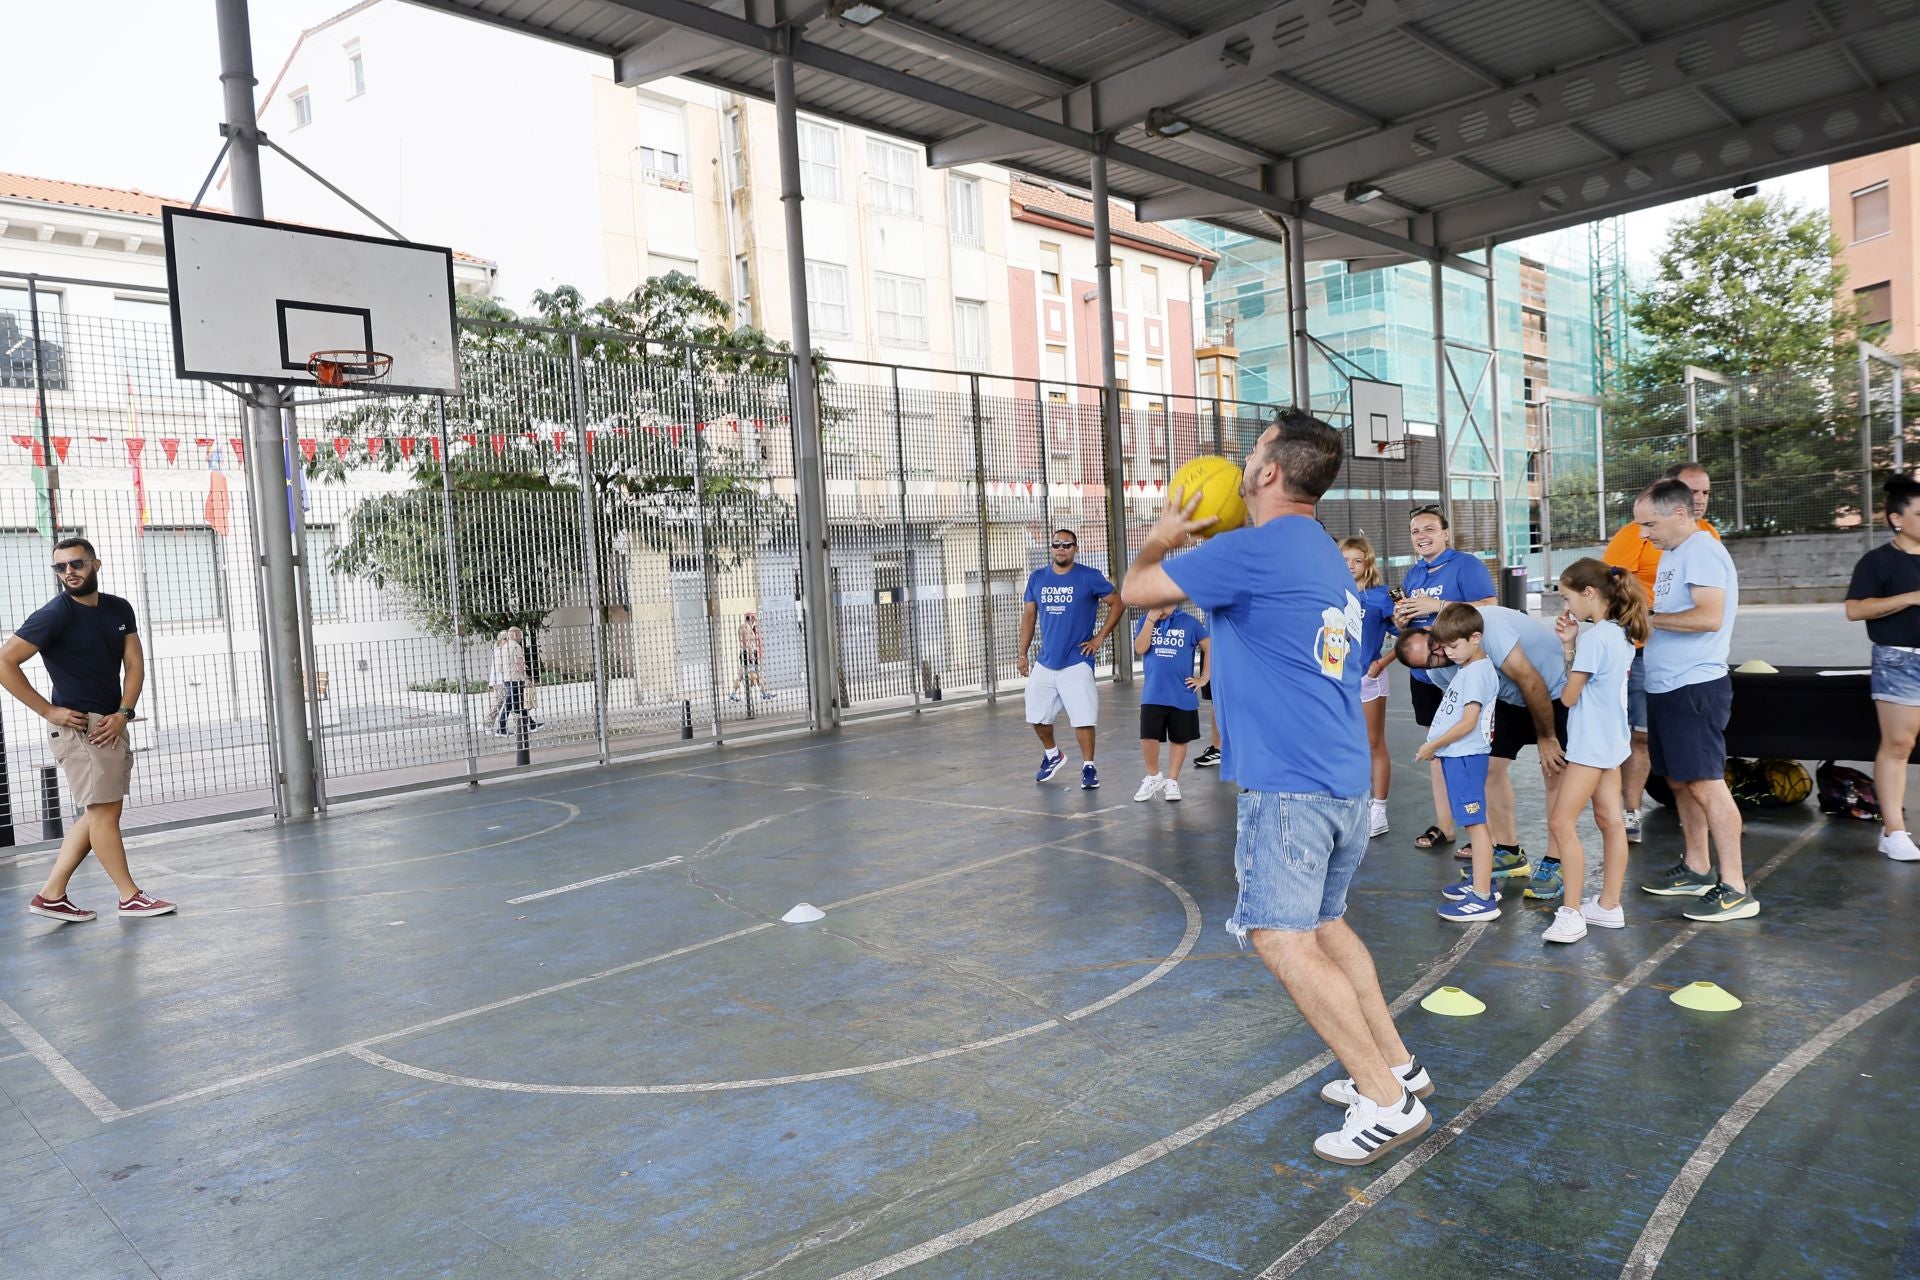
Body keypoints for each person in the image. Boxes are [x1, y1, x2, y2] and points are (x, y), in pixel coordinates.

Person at [1123, 409, 1433, 1168]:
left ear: (1267, 473)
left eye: (1252, 451)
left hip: (1290, 783)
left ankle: (1386, 1101)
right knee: (1326, 923)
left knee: (1277, 935)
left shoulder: (1255, 553)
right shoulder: (1316, 550)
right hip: (1339, 777)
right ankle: (1395, 1062)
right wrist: (1206, 548)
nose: (1240, 461)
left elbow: (1135, 589)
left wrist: (1163, 531)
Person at [0, 537, 174, 921]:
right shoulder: (54, 614)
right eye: (60, 567)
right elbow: (5, 663)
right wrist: (49, 711)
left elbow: (135, 664)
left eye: (76, 564)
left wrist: (124, 713)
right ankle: (129, 896)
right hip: (82, 729)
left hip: (110, 723)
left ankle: (51, 894)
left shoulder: (117, 608)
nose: (68, 573)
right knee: (104, 813)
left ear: (96, 564)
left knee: (98, 813)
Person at [1634, 478, 1754, 921]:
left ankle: (1736, 887)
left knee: (1704, 781)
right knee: (1681, 781)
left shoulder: (1702, 550)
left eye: (1650, 523)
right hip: (1667, 684)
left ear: (1681, 514)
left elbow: (1708, 616)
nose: (1645, 533)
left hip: (1694, 685)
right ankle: (1698, 866)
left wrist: (1649, 619)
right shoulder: (1673, 554)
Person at [1389, 604, 1568, 898]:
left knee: (1554, 770)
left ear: (1432, 630)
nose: (1440, 657)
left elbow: (1530, 680)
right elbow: (1470, 710)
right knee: (1490, 770)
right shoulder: (1440, 671)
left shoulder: (1489, 630)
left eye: (1436, 648)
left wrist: (1546, 736)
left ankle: (1555, 860)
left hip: (1550, 688)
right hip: (1510, 697)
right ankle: (1510, 852)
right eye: (1430, 662)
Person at [1603, 461, 1720, 844]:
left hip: (1689, 667)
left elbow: (1709, 611)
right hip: (1643, 653)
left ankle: (1710, 836)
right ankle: (1632, 812)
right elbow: (1614, 584)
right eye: (1691, 491)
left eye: (1704, 492)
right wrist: (1642, 618)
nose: (1699, 499)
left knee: (1689, 763)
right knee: (1643, 738)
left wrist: (1656, 618)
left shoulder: (1705, 542)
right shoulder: (1642, 537)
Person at [1545, 559, 1646, 943]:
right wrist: (1572, 643)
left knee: (1560, 824)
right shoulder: (1619, 634)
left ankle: (1571, 914)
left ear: (1589, 594)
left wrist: (1568, 649)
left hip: (1590, 744)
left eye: (1568, 598)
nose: (1567, 607)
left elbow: (1569, 697)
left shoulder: (1596, 638)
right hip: (1612, 741)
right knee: (1611, 821)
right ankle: (1608, 905)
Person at [1387, 505, 1496, 851]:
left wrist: (1437, 607)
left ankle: (1482, 834)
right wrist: (1401, 620)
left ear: (1446, 533)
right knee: (1437, 752)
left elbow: (1491, 605)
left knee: (1473, 753)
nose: (1422, 536)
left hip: (1461, 675)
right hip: (1425, 677)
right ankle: (1445, 825)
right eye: (1416, 531)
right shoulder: (1415, 575)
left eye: (1429, 529)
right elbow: (1405, 622)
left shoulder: (1466, 566)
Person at [1843, 474, 1920, 863]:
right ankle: (1894, 831)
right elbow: (1855, 609)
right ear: (1897, 519)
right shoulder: (1877, 561)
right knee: (1899, 746)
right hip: (1900, 661)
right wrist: (1910, 598)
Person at [1016, 529, 1124, 789]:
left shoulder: (1089, 577)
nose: (1061, 548)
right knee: (1036, 715)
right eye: (1056, 544)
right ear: (1050, 548)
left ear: (1075, 548)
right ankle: (1053, 755)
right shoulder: (1038, 578)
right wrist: (1022, 653)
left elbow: (1118, 602)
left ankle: (1089, 767)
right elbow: (1029, 617)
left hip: (1077, 661)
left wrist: (1099, 638)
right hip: (1045, 661)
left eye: (1067, 544)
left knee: (1083, 719)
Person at [1416, 605, 1500, 923]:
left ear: (1475, 638)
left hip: (1465, 756)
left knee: (1475, 824)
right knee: (1476, 821)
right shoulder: (1468, 667)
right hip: (1458, 756)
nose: (1449, 653)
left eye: (1454, 646)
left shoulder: (1477, 672)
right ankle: (1483, 881)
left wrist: (1433, 745)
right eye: (1445, 647)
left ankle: (1481, 897)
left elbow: (1468, 723)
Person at [1342, 537, 1397, 837]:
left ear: (1368, 564)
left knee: (1373, 743)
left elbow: (1410, 634)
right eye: (1345, 560)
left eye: (1357, 560)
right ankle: (1354, 804)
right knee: (1346, 744)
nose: (1350, 566)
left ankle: (1379, 811)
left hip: (1368, 678)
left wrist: (1383, 662)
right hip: (1337, 681)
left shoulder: (1380, 596)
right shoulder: (1332, 594)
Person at [1131, 604, 1210, 803]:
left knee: (1179, 738)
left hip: (1181, 693)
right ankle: (1153, 776)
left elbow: (1209, 646)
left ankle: (1172, 781)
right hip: (1153, 693)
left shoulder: (1190, 623)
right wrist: (1151, 619)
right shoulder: (1145, 621)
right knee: (1148, 736)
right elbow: (1140, 648)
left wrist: (1204, 677)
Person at [494, 625, 543, 737]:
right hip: (515, 679)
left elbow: (500, 667)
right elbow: (520, 665)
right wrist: (526, 678)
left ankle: (531, 724)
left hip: (507, 679)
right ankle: (501, 728)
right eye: (520, 635)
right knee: (509, 704)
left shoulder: (503, 647)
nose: (521, 637)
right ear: (516, 634)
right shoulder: (516, 647)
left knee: (521, 703)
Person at [730, 612, 766, 702]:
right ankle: (764, 694)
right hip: (749, 653)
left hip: (744, 653)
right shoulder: (747, 628)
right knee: (757, 673)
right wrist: (751, 656)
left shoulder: (742, 627)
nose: (755, 620)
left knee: (741, 675)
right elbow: (748, 643)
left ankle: (733, 694)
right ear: (751, 618)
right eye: (754, 618)